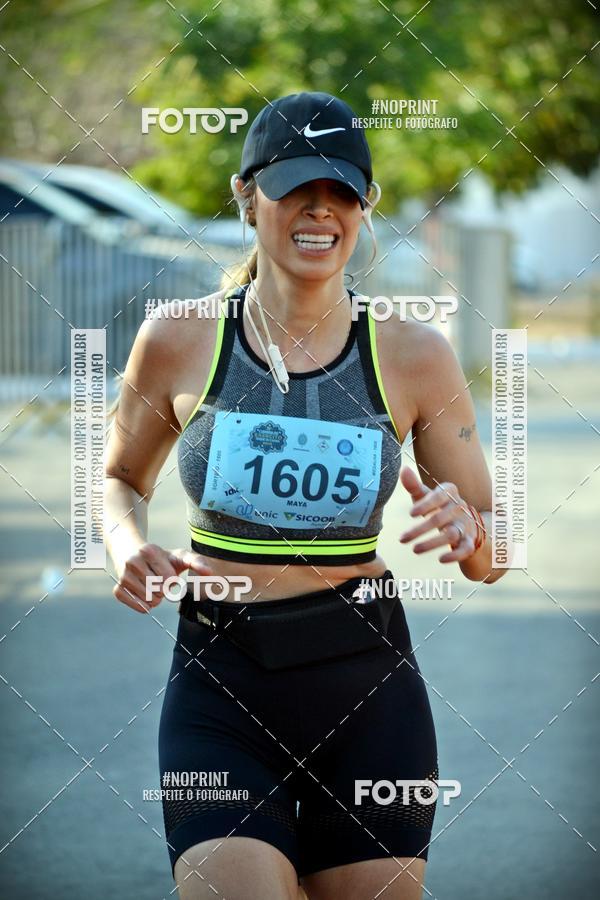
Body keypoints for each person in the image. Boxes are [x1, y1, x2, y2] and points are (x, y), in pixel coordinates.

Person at [104, 91, 507, 900]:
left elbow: (493, 554)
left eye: (343, 192)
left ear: (365, 208)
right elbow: (120, 477)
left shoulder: (414, 353)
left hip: (368, 687)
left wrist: (471, 530)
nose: (320, 211)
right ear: (247, 195)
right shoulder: (178, 339)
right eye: (295, 188)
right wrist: (126, 548)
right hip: (220, 679)